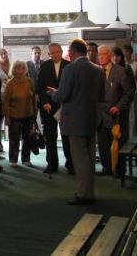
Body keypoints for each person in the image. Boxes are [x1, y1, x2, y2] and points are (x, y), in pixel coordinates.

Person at [48, 38, 105, 205]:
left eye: (68, 52)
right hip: (92, 119)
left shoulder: (70, 69)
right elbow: (101, 96)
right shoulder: (98, 70)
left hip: (74, 121)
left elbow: (62, 95)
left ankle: (84, 194)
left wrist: (54, 93)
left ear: (72, 52)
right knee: (89, 158)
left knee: (80, 160)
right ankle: (89, 192)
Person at [96, 45, 134, 176]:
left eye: (103, 54)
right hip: (99, 114)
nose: (100, 57)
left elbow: (129, 92)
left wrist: (118, 106)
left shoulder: (120, 71)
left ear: (110, 55)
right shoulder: (96, 71)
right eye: (99, 54)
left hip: (115, 114)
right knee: (102, 144)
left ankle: (119, 169)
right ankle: (107, 167)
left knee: (117, 143)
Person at [37, 43, 73, 174]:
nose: (55, 54)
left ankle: (71, 164)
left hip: (65, 106)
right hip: (49, 106)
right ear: (49, 54)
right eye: (52, 53)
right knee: (50, 137)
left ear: (62, 52)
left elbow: (72, 88)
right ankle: (52, 164)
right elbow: (40, 88)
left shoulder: (69, 66)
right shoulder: (44, 66)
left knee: (67, 137)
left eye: (58, 52)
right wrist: (45, 103)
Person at [2, 60, 37, 168]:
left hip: (28, 115)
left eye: (22, 69)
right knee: (14, 139)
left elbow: (33, 98)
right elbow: (5, 102)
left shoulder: (29, 81)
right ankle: (13, 159)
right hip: (14, 116)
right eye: (18, 69)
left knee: (27, 138)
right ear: (14, 70)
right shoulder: (10, 84)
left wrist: (35, 113)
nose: (21, 71)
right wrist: (7, 117)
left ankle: (26, 159)